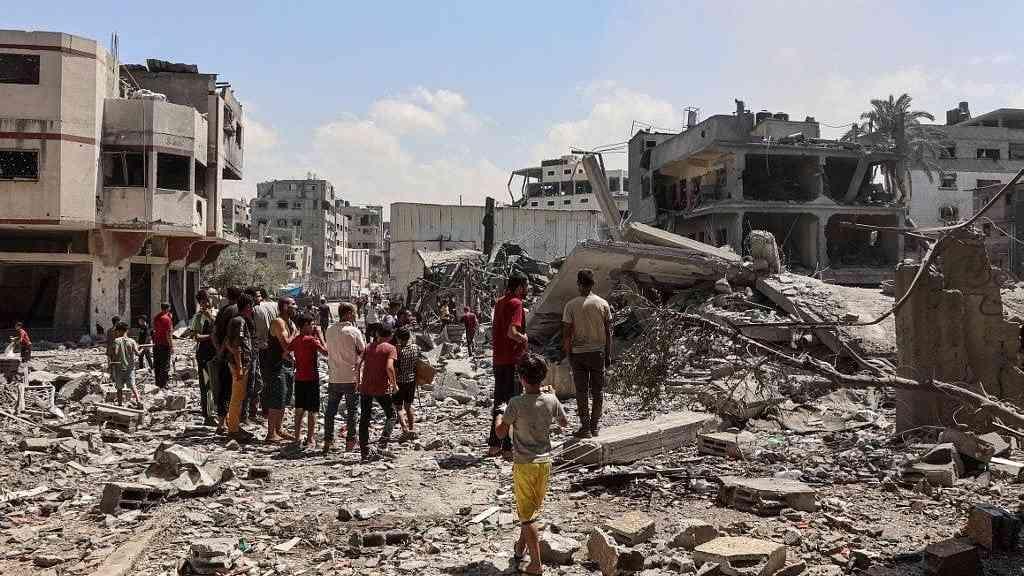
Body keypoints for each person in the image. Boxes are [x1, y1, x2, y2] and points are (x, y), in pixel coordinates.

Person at [494, 353, 568, 576]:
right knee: (530, 511)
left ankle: (536, 564)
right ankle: (520, 548)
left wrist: (499, 414)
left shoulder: (515, 403)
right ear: (543, 376)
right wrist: (554, 397)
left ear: (521, 378)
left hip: (525, 465)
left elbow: (500, 433)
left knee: (527, 517)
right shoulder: (551, 400)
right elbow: (564, 423)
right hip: (545, 463)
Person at [561, 268, 612, 438]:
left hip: (578, 354)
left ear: (578, 284)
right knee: (597, 392)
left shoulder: (571, 305)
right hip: (598, 353)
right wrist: (608, 354)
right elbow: (608, 333)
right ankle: (594, 426)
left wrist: (568, 355)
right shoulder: (603, 304)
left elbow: (567, 334)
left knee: (581, 392)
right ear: (593, 284)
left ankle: (585, 427)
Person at [489, 271, 529, 458]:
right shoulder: (516, 303)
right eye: (526, 286)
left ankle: (494, 445)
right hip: (513, 360)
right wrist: (524, 338)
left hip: (498, 359)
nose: (527, 290)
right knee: (513, 403)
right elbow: (511, 332)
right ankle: (508, 447)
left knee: (500, 402)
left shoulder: (499, 302)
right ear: (520, 287)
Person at [325, 302, 365, 454]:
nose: (355, 315)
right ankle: (350, 441)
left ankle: (328, 440)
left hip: (334, 377)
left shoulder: (329, 330)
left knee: (330, 411)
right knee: (352, 411)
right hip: (350, 377)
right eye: (354, 312)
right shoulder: (354, 331)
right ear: (348, 313)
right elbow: (363, 351)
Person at [358, 325, 398, 462]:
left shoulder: (368, 347)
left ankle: (364, 452)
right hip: (381, 388)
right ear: (390, 336)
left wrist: (358, 382)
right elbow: (389, 367)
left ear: (377, 334)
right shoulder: (390, 348)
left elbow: (358, 364)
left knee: (364, 418)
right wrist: (394, 384)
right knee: (392, 415)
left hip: (365, 387)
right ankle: (382, 444)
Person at [289, 314, 328, 448]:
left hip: (299, 378)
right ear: (305, 325)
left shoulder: (296, 340)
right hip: (311, 378)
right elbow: (326, 352)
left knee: (299, 409)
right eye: (312, 324)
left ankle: (296, 438)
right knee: (312, 410)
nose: (313, 327)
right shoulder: (312, 340)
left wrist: (295, 362)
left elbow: (285, 354)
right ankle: (310, 438)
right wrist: (321, 336)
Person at [265, 297, 298, 442]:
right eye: (293, 304)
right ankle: (270, 434)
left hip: (287, 365)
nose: (296, 307)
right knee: (276, 399)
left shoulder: (289, 323)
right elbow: (287, 345)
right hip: (276, 366)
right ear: (285, 307)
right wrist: (295, 333)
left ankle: (278, 429)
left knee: (284, 398)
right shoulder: (278, 322)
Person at [211, 287, 241, 433]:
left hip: (223, 356)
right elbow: (229, 337)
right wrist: (223, 350)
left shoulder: (223, 310)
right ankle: (232, 424)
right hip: (232, 356)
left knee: (222, 389)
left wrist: (218, 351)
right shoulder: (237, 311)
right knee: (233, 390)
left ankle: (221, 423)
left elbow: (214, 333)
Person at [251, 287, 279, 420]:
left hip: (261, 348)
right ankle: (271, 408)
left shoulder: (254, 309)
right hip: (274, 347)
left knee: (262, 378)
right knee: (272, 377)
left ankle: (264, 409)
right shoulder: (274, 305)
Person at [191, 289, 217, 424]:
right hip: (204, 354)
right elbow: (196, 336)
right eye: (204, 301)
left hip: (216, 354)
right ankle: (208, 415)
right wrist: (210, 336)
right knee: (206, 384)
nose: (207, 303)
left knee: (216, 384)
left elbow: (220, 328)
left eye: (208, 299)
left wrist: (211, 317)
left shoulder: (216, 313)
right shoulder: (198, 317)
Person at [393, 327, 421, 440]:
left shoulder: (398, 351)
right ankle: (412, 428)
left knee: (399, 407)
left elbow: (395, 368)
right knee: (408, 406)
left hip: (400, 382)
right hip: (411, 380)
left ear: (399, 338)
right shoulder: (415, 348)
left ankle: (404, 429)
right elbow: (418, 363)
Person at [110, 321, 143, 407]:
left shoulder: (116, 341)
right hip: (130, 368)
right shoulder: (132, 341)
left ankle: (120, 404)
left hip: (119, 368)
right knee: (133, 385)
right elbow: (138, 353)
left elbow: (115, 352)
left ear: (119, 331)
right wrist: (142, 348)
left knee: (119, 388)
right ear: (127, 330)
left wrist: (113, 359)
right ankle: (138, 400)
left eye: (117, 331)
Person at [152, 303, 173, 388]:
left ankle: (157, 382)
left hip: (156, 344)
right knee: (165, 364)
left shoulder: (156, 317)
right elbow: (168, 333)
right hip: (164, 344)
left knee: (157, 364)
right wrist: (171, 345)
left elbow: (154, 330)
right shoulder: (167, 319)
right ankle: (163, 384)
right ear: (168, 308)